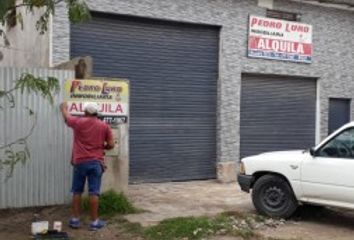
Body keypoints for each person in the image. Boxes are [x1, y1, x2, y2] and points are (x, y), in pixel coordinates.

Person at [60, 101, 115, 231]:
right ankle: (95, 222)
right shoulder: (104, 126)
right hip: (96, 163)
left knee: (77, 191)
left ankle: (75, 220)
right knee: (94, 192)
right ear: (97, 113)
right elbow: (111, 145)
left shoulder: (78, 122)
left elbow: (67, 117)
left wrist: (63, 108)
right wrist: (103, 146)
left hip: (80, 162)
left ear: (85, 112)